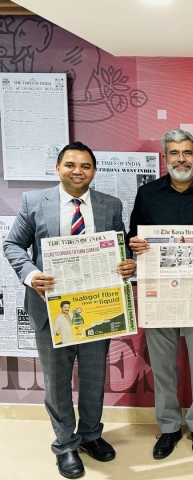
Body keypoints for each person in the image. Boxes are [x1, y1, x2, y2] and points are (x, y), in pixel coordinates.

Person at [3, 141, 136, 479]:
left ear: (94, 171)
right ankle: (65, 444)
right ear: (58, 168)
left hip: (95, 307)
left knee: (93, 378)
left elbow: (120, 248)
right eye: (71, 165)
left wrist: (127, 265)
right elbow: (13, 244)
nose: (78, 171)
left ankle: (91, 435)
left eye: (86, 166)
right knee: (58, 382)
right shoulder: (35, 202)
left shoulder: (110, 204)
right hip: (51, 308)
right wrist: (32, 275)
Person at [128, 129, 193, 460]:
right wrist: (135, 245)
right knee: (162, 365)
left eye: (187, 152)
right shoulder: (147, 195)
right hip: (158, 293)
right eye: (173, 153)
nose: (181, 159)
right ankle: (170, 427)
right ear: (165, 158)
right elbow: (133, 235)